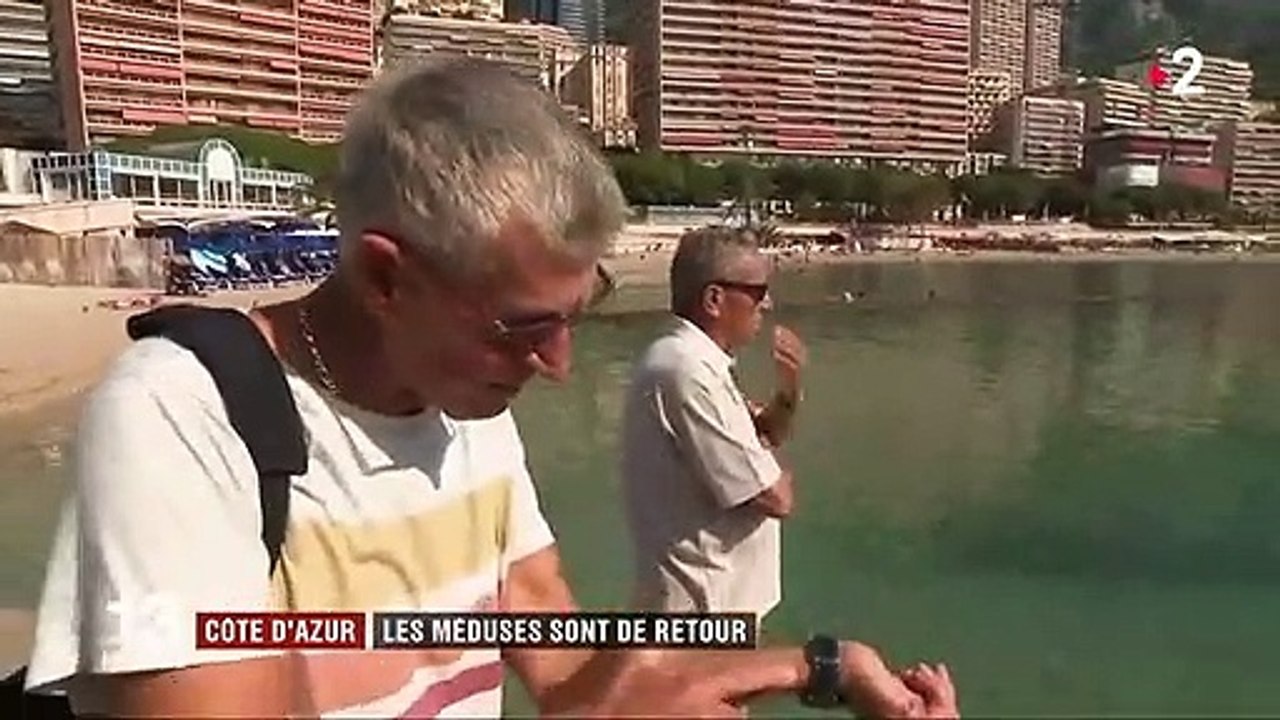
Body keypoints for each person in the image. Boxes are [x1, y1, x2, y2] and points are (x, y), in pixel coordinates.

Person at [21, 57, 956, 718]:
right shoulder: (182, 419)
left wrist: (827, 667)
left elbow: (574, 677)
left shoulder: (467, 409)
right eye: (523, 326)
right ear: (386, 278)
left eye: (572, 314)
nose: (555, 365)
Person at [619, 226, 803, 630]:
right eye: (758, 291)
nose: (767, 303)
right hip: (702, 611)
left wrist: (788, 391)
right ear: (715, 299)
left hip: (712, 605)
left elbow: (765, 433)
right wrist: (775, 470)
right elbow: (774, 497)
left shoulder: (697, 363)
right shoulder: (688, 372)